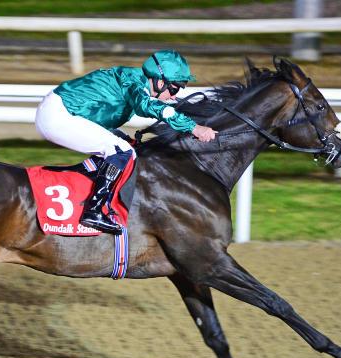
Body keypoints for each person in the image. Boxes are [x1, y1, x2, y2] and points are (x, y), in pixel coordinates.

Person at [36, 49, 218, 235]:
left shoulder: (135, 79)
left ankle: (86, 190)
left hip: (63, 111)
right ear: (160, 82)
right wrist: (193, 127)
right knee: (121, 151)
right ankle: (94, 211)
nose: (173, 96)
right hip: (57, 115)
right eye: (174, 88)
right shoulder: (134, 83)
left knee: (124, 146)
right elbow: (147, 106)